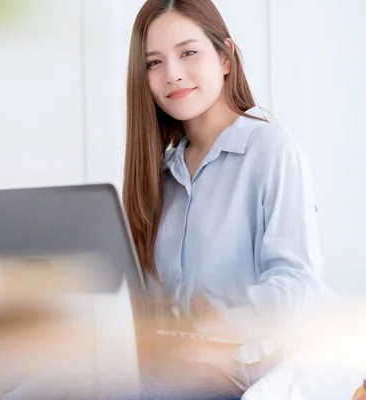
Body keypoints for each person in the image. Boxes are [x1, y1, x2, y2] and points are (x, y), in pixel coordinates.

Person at [119, 0, 325, 398]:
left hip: (234, 377)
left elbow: (297, 282)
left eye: (188, 53)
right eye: (154, 63)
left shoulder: (270, 149)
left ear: (226, 57)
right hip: (161, 367)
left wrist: (219, 329)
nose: (173, 74)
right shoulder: (157, 176)